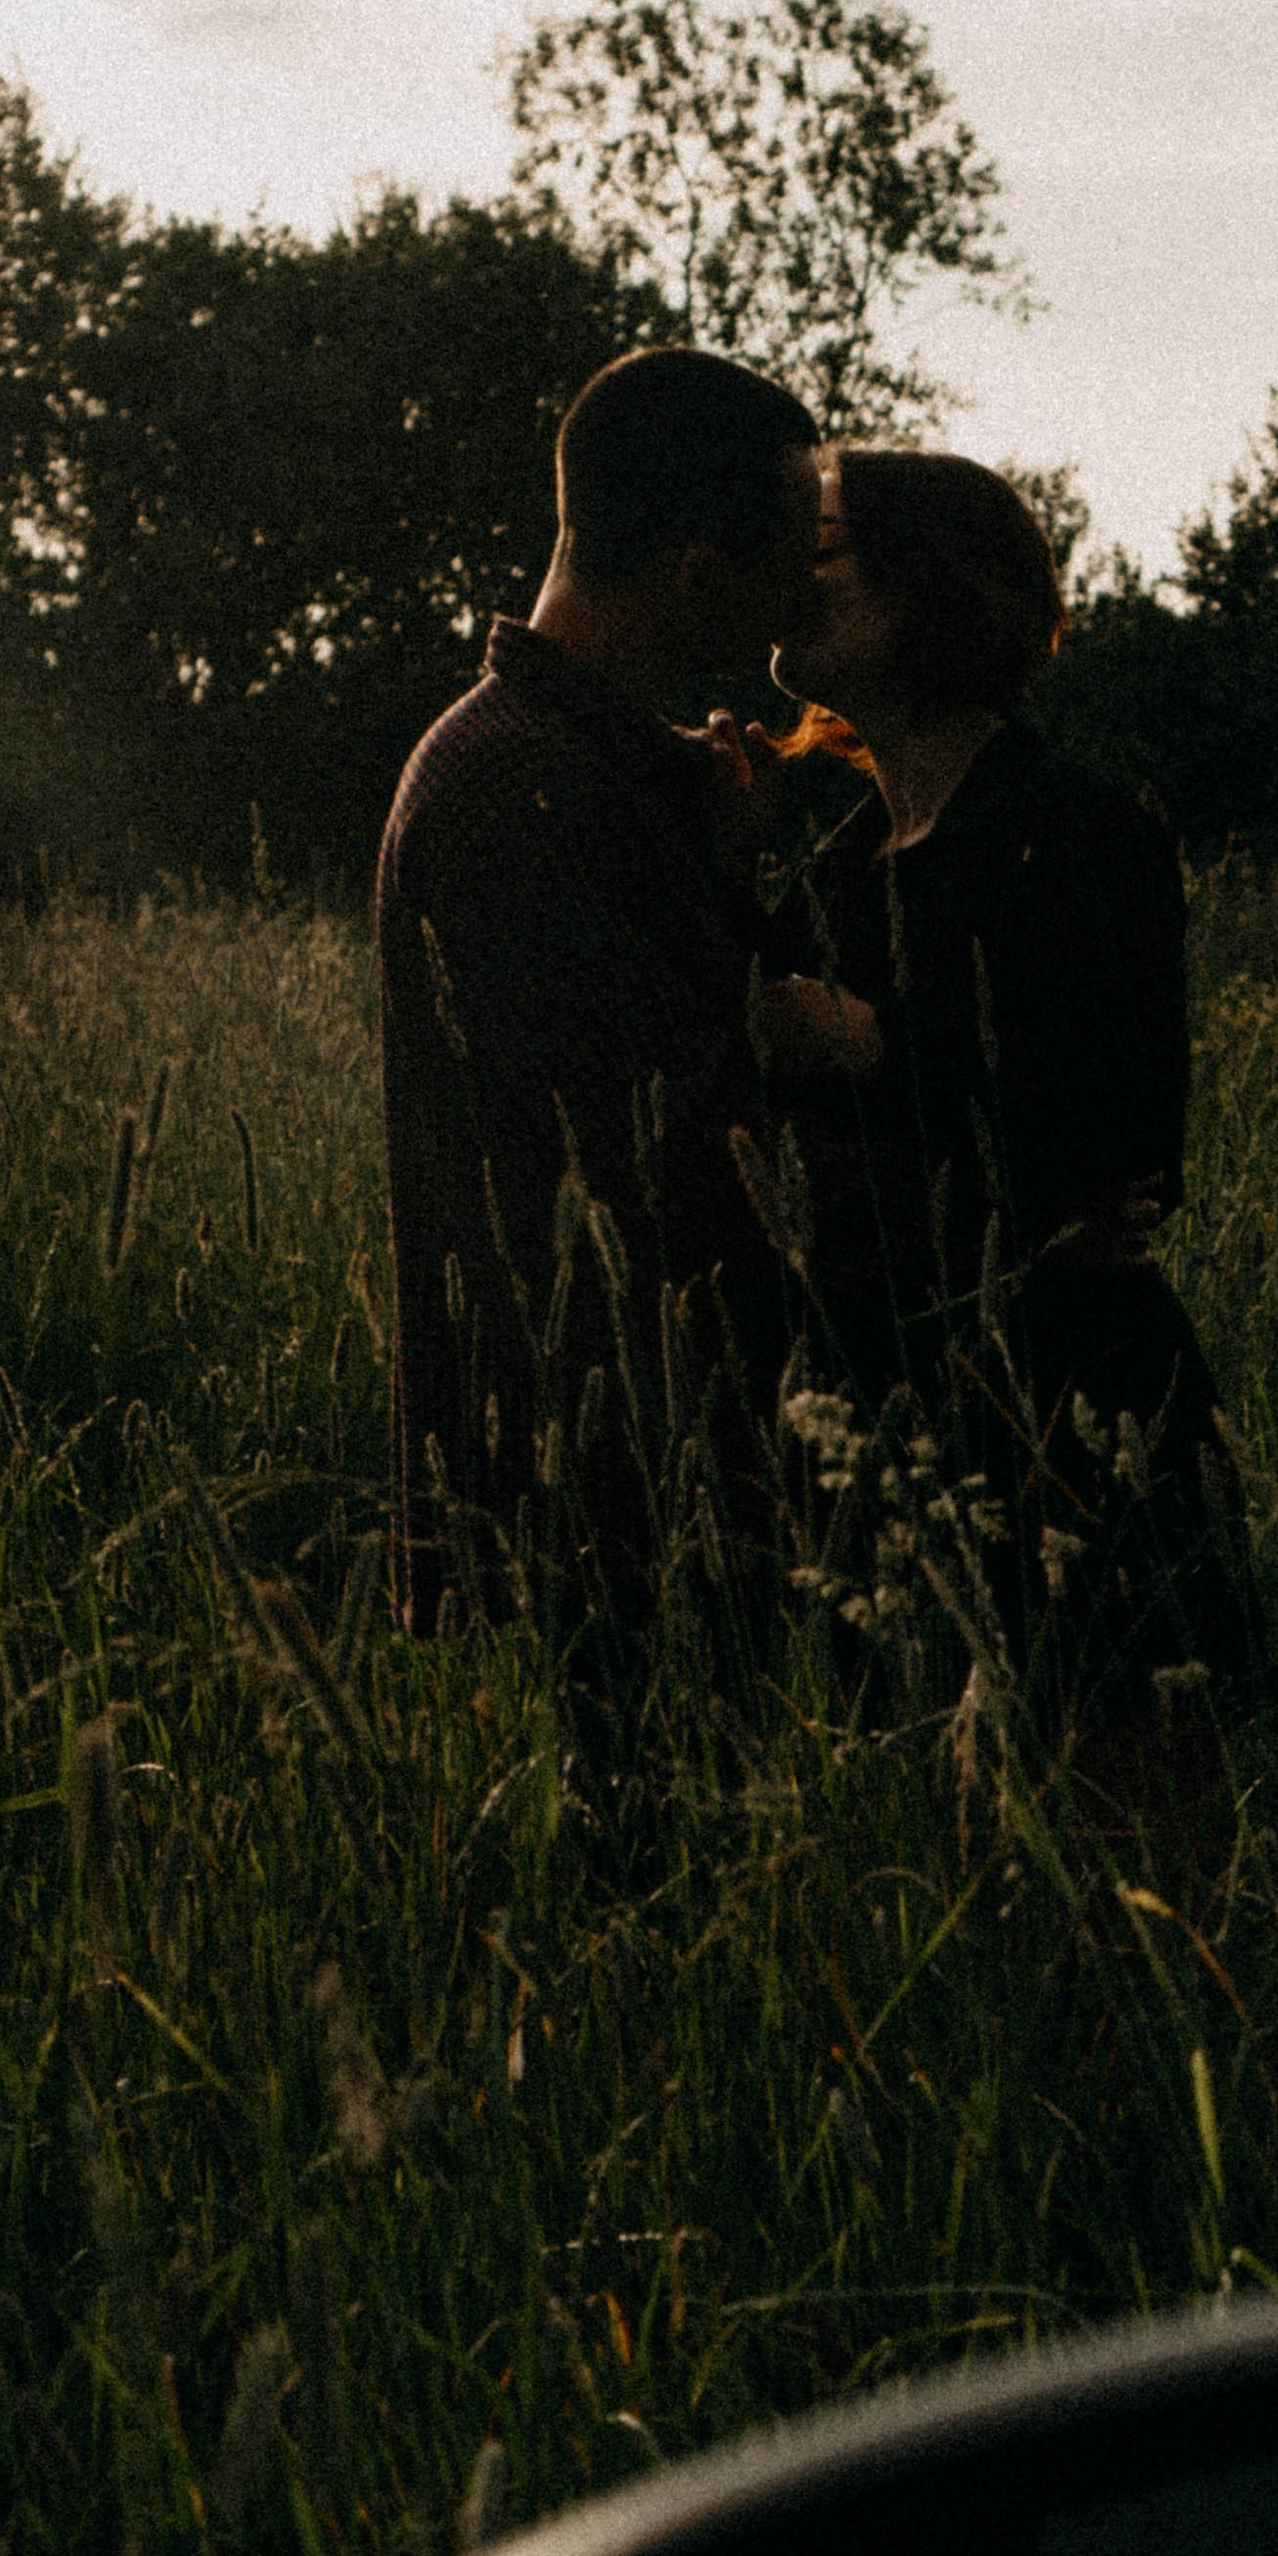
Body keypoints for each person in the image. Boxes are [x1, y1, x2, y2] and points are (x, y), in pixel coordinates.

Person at [717, 448, 1258, 1773]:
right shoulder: (837, 866)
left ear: (927, 587)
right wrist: (718, 857)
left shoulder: (1074, 831)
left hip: (1070, 1416)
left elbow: (1121, 1143)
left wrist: (871, 1049)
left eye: (820, 546)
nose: (788, 574)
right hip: (872, 1432)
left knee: (1110, 1815)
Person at [376, 345, 821, 1645]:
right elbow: (661, 1142)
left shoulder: (581, 764)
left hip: (637, 1460)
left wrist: (721, 851)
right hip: (605, 1486)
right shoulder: (523, 790)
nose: (806, 591)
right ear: (699, 576)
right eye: (791, 555)